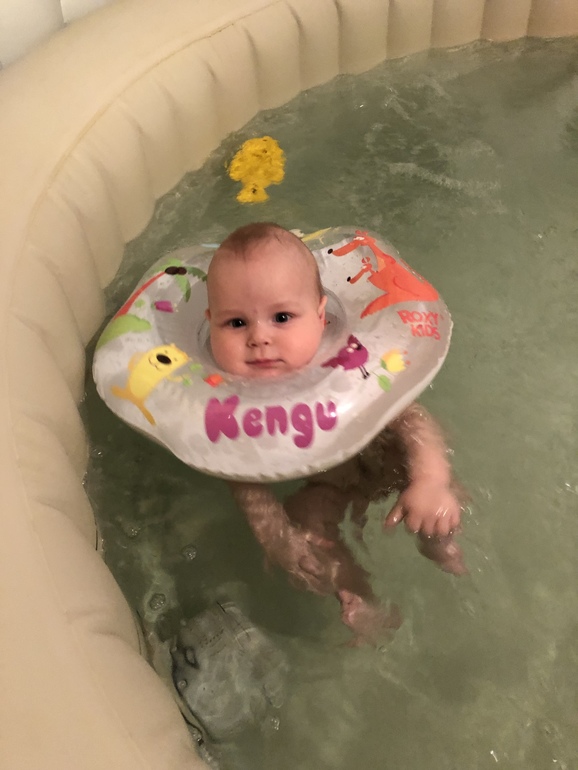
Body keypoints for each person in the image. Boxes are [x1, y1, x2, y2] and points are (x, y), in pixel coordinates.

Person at [205, 222, 466, 644]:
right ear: (209, 325)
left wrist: (431, 480)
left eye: (282, 317)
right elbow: (243, 478)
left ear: (322, 316)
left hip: (385, 457)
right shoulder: (222, 404)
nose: (259, 338)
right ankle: (355, 594)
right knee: (305, 522)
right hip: (325, 482)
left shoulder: (357, 362)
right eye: (236, 323)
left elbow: (413, 420)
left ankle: (442, 545)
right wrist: (276, 537)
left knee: (437, 492)